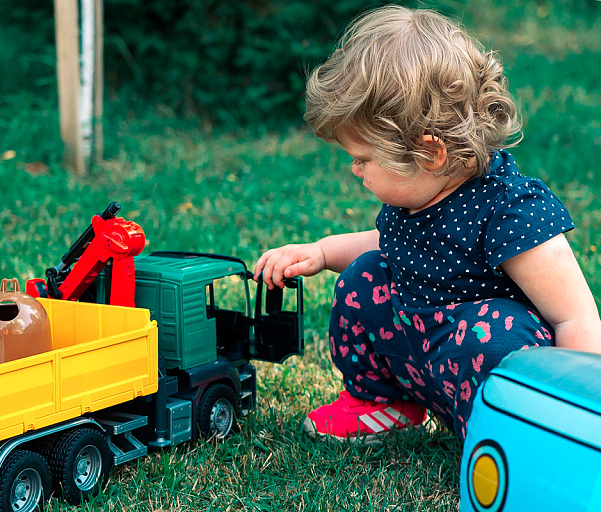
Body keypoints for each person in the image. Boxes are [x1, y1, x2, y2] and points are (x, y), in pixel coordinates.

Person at [254, 5, 601, 440]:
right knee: (364, 278)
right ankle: (386, 404)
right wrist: (322, 252)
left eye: (364, 160)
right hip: (427, 356)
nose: (355, 170)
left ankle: (510, 436)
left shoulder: (510, 210)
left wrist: (574, 417)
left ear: (429, 153)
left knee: (492, 334)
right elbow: (387, 243)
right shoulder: (418, 198)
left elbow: (576, 319)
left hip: (498, 380)